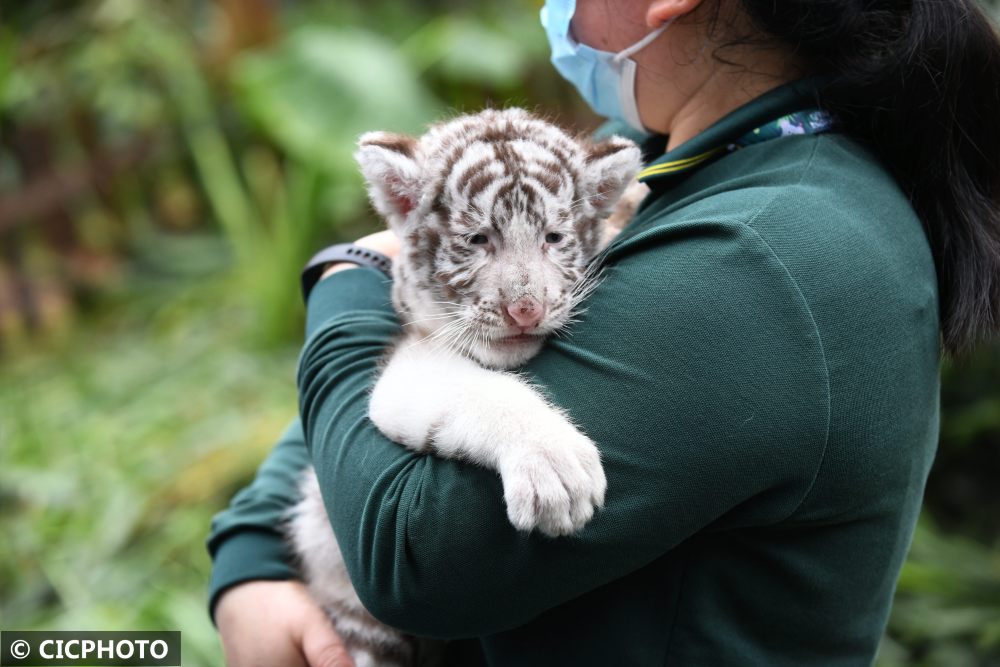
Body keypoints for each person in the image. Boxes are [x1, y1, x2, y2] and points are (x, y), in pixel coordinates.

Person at [207, 0, 1000, 665]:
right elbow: (418, 355)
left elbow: (411, 555)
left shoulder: (762, 257)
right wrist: (251, 556)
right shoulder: (694, 162)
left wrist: (348, 280)